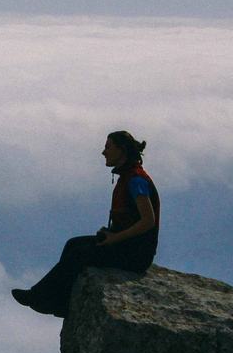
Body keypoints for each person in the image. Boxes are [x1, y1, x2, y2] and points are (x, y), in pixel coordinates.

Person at [11, 131, 160, 318]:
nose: (103, 152)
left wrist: (115, 237)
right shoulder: (128, 177)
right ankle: (61, 302)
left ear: (121, 151)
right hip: (127, 246)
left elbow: (148, 221)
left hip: (136, 255)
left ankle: (39, 297)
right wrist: (111, 232)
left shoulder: (136, 180)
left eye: (108, 147)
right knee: (73, 244)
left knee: (79, 253)